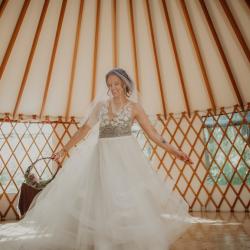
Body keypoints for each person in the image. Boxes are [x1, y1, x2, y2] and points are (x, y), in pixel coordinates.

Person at [0, 68, 194, 250]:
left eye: (116, 83)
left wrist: (175, 151)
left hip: (126, 157)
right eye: (109, 85)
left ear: (125, 84)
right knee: (100, 198)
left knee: (127, 198)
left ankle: (125, 240)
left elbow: (153, 134)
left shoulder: (134, 108)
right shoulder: (102, 106)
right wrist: (64, 149)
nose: (113, 88)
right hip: (102, 157)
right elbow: (84, 129)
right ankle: (104, 240)